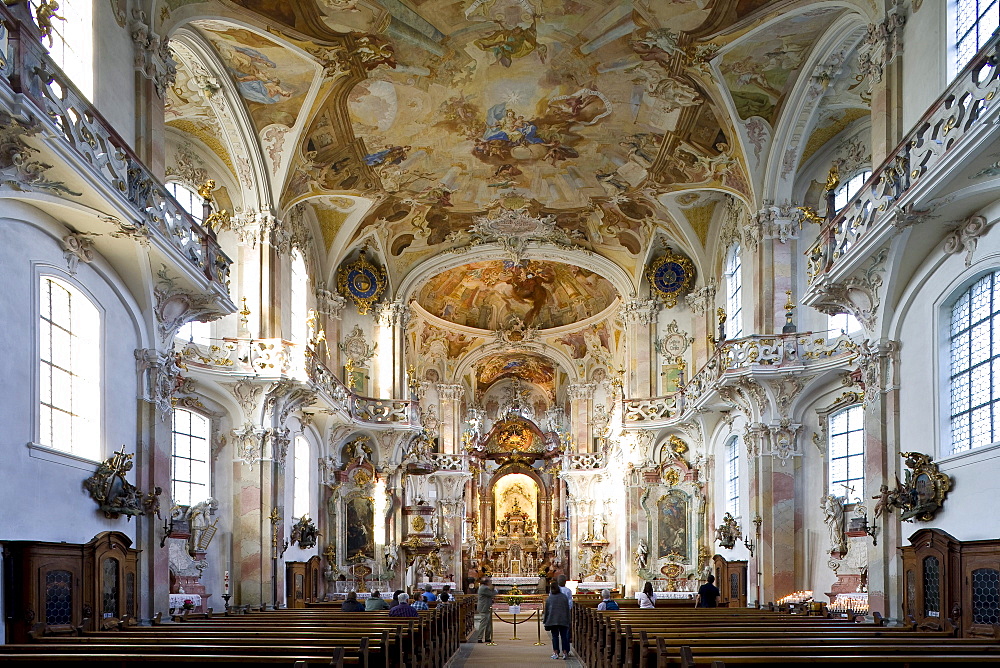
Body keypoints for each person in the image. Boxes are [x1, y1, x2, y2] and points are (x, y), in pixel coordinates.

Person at [543, 582, 572, 660]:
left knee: (555, 636)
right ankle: (565, 652)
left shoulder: (549, 598)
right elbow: (567, 609)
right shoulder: (564, 597)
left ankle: (556, 652)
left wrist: (545, 620)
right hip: (563, 620)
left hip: (553, 620)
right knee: (564, 636)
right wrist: (569, 620)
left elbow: (547, 611)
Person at [472, 577, 496, 643]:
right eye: (489, 582)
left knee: (488, 623)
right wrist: (494, 589)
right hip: (484, 607)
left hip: (487, 606)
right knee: (483, 623)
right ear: (486, 583)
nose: (490, 583)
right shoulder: (484, 588)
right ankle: (480, 637)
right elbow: (493, 593)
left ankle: (487, 638)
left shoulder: (484, 587)